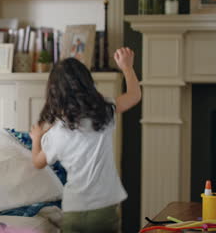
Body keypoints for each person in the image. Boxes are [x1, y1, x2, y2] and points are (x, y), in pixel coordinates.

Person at [29, 47, 141, 233]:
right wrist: (127, 67)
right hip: (104, 210)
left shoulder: (58, 132)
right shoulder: (104, 113)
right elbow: (134, 95)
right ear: (87, 84)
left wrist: (36, 138)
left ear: (55, 95)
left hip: (74, 211)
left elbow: (37, 162)